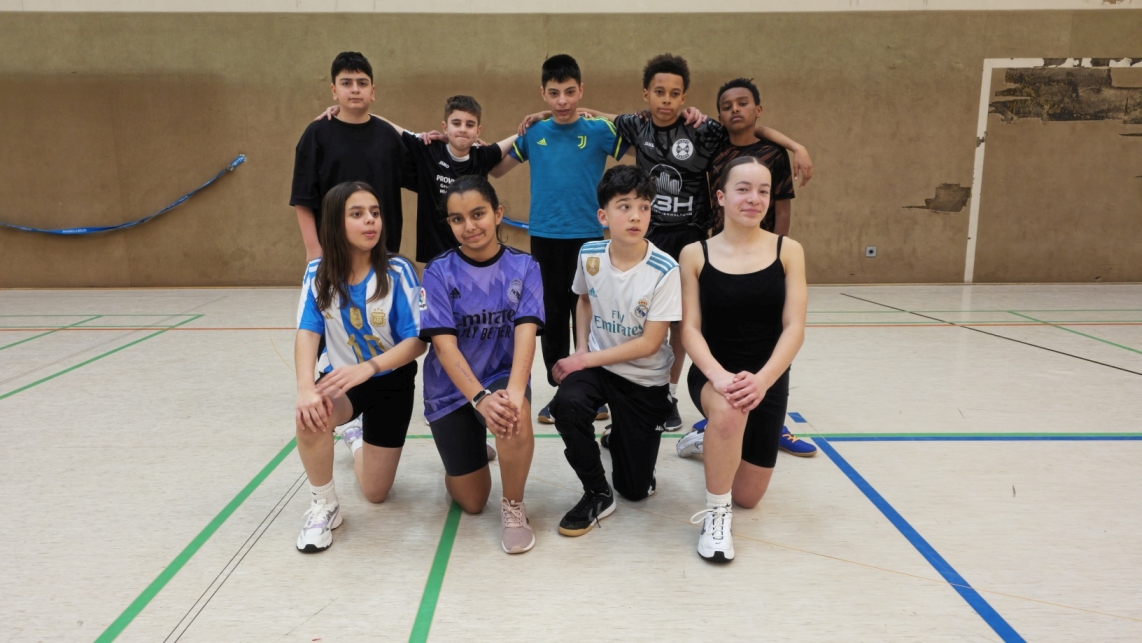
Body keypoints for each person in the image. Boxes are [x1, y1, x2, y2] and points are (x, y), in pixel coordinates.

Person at [518, 53, 812, 438]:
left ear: (684, 97)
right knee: (636, 317)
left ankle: (669, 392)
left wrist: (796, 146)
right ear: (647, 94)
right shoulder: (636, 125)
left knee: (683, 321)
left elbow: (747, 128)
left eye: (675, 94)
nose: (667, 100)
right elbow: (593, 115)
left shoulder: (701, 129)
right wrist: (547, 114)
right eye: (659, 92)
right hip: (651, 235)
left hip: (691, 236)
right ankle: (622, 387)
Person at [676, 157, 807, 562]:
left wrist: (763, 380)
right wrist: (718, 376)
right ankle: (717, 517)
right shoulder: (694, 254)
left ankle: (709, 441)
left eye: (763, 191)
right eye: (743, 189)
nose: (754, 198)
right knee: (729, 412)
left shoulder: (789, 250)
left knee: (749, 496)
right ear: (721, 197)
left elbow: (794, 328)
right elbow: (689, 329)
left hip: (767, 380)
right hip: (713, 375)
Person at [683, 77, 817, 457]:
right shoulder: (714, 143)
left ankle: (772, 423)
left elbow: (783, 208)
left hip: (763, 254)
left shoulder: (773, 153)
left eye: (743, 104)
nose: (735, 110)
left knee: (767, 334)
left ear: (757, 109)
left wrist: (796, 146)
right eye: (727, 107)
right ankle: (715, 422)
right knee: (721, 333)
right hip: (722, 253)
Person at [492, 54, 624, 426]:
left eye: (569, 92)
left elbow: (642, 139)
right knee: (551, 318)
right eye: (554, 93)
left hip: (589, 238)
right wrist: (525, 127)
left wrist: (599, 113)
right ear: (543, 94)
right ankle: (562, 391)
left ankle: (593, 392)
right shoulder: (535, 133)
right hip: (546, 238)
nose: (562, 101)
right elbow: (496, 169)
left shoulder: (598, 130)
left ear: (581, 90)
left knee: (590, 314)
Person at [549, 165, 680, 537]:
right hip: (600, 368)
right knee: (566, 405)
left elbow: (649, 344)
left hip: (644, 379)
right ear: (603, 216)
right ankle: (597, 492)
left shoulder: (665, 269)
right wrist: (580, 350)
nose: (636, 216)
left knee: (635, 490)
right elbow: (583, 300)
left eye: (644, 207)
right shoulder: (590, 253)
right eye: (625, 206)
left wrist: (582, 359)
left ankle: (622, 435)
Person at [293, 181, 425, 553]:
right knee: (311, 413)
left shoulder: (398, 271)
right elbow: (307, 332)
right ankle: (324, 505)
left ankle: (354, 437)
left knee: (375, 492)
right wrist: (305, 388)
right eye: (357, 214)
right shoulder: (318, 273)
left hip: (392, 381)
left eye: (375, 213)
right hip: (341, 381)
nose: (371, 221)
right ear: (336, 223)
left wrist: (369, 367)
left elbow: (418, 341)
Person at [419, 176, 544, 554]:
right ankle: (469, 447)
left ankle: (514, 507)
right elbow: (444, 347)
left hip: (500, 375)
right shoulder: (438, 272)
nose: (469, 226)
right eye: (457, 219)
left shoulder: (524, 266)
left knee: (514, 414)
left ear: (498, 213)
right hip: (451, 388)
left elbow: (526, 335)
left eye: (478, 214)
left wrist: (515, 394)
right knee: (472, 502)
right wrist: (479, 400)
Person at [316, 95, 519, 263]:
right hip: (434, 251)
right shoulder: (427, 149)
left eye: (470, 124)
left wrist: (532, 123)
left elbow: (518, 136)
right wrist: (346, 111)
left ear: (478, 131)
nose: (463, 129)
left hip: (471, 248)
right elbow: (387, 125)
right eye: (456, 123)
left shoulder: (482, 156)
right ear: (445, 127)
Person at [291, 52, 409, 257]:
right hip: (333, 253)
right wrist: (313, 249)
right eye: (346, 83)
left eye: (362, 83)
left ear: (372, 91)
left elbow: (426, 172)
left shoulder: (388, 136)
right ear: (334, 90)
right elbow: (303, 198)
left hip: (382, 252)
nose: (355, 89)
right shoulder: (316, 134)